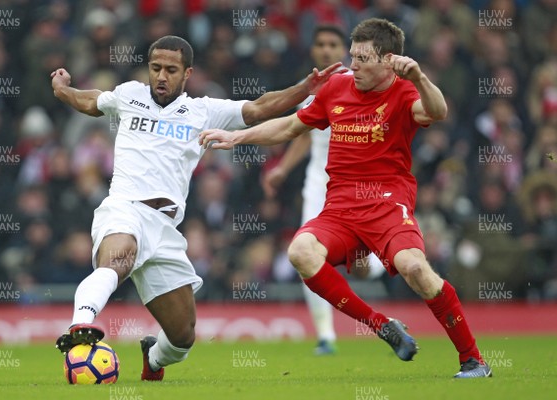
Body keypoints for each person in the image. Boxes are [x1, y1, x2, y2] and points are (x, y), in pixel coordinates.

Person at [200, 18, 491, 378]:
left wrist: (418, 77)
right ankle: (381, 325)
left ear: (388, 61)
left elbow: (438, 112)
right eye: (352, 56)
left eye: (362, 59)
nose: (352, 65)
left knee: (416, 270)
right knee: (299, 252)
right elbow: (291, 126)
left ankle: (473, 359)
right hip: (339, 206)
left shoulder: (404, 92)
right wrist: (237, 138)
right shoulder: (335, 87)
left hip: (387, 202)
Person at [50, 35, 344, 381]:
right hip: (124, 209)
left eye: (171, 70)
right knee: (118, 259)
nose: (161, 76)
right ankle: (81, 324)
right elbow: (91, 101)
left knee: (182, 337)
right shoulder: (129, 95)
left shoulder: (204, 111)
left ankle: (154, 358)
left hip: (165, 229)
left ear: (187, 73)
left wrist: (304, 87)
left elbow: (260, 108)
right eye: (155, 68)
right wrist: (62, 90)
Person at [262, 25, 385, 356]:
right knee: (305, 254)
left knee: (360, 267)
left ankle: (374, 266)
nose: (327, 49)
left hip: (359, 185)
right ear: (313, 50)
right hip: (319, 186)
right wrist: (283, 169)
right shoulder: (315, 88)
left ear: (344, 49)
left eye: (333, 44)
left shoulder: (360, 82)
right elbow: (301, 131)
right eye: (321, 44)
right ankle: (326, 334)